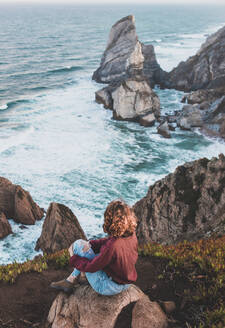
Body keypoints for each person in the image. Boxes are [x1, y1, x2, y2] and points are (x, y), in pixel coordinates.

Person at [50, 199, 138, 295]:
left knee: (77, 245)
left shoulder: (113, 246)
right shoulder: (131, 235)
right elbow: (107, 242)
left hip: (107, 287)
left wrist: (75, 259)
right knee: (85, 246)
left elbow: (92, 267)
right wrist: (91, 244)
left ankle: (71, 281)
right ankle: (71, 280)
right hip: (126, 284)